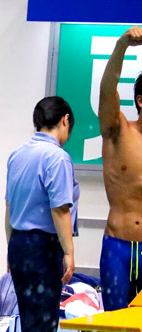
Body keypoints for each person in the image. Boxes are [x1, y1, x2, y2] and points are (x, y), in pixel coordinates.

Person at [1, 96, 78, 332]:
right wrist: (69, 252)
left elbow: (8, 207)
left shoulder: (18, 155)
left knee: (35, 318)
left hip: (19, 242)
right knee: (43, 321)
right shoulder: (56, 158)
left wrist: (10, 248)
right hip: (43, 244)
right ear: (65, 121)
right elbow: (60, 209)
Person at [98, 25, 142, 310]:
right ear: (140, 100)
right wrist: (121, 46)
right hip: (118, 247)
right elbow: (107, 90)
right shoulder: (118, 130)